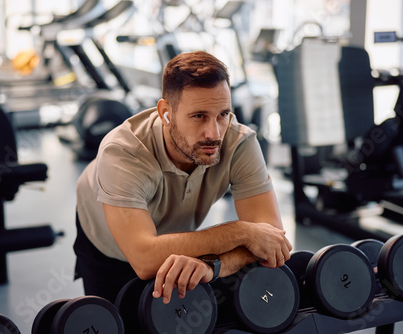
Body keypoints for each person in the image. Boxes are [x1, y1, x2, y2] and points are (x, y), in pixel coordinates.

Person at [73, 50, 292, 305]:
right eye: (199, 116)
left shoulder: (239, 142)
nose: (214, 133)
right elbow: (144, 259)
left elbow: (272, 239)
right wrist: (240, 231)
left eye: (222, 114)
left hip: (180, 245)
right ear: (166, 112)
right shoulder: (124, 152)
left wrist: (213, 264)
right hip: (109, 246)